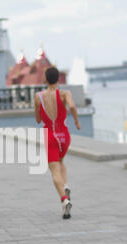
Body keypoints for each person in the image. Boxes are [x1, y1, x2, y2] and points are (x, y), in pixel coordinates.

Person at [34, 67, 81, 219]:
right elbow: (72, 106)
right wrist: (76, 120)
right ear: (59, 79)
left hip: (50, 136)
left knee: (54, 168)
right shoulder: (65, 93)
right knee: (61, 161)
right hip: (64, 135)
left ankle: (64, 200)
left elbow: (38, 119)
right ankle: (65, 185)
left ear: (46, 79)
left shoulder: (38, 96)